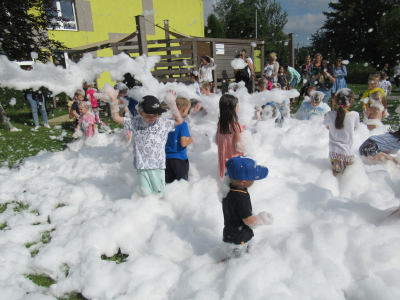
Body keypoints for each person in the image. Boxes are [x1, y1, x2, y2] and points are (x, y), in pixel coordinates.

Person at [106, 88, 183, 196]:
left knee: (159, 193)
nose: (152, 118)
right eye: (148, 115)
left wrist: (172, 104)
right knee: (145, 193)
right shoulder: (135, 122)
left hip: (157, 164)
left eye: (155, 115)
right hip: (141, 164)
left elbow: (179, 121)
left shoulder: (162, 123)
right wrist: (113, 101)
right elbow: (116, 118)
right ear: (140, 112)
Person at [221, 156, 273, 261]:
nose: (254, 179)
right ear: (243, 181)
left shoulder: (228, 189)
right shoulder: (240, 198)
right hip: (239, 238)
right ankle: (225, 264)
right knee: (236, 261)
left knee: (240, 256)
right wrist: (262, 220)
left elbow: (238, 211)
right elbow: (248, 220)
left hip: (232, 234)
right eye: (253, 177)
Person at [323, 88, 359, 176]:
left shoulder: (330, 114)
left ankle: (334, 187)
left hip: (334, 151)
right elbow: (355, 128)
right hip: (347, 151)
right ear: (351, 103)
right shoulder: (355, 115)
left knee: (336, 174)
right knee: (349, 175)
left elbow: (327, 127)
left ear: (335, 101)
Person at [165, 95, 193, 183]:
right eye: (187, 110)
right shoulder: (183, 125)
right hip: (179, 159)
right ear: (184, 109)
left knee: (170, 186)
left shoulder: (166, 123)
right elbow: (183, 143)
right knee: (182, 186)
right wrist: (193, 138)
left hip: (167, 159)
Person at [216, 94, 244, 178]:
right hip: (235, 159)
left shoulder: (220, 124)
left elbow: (217, 141)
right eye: (237, 106)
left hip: (224, 158)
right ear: (232, 109)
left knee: (226, 177)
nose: (238, 109)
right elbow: (239, 146)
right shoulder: (237, 126)